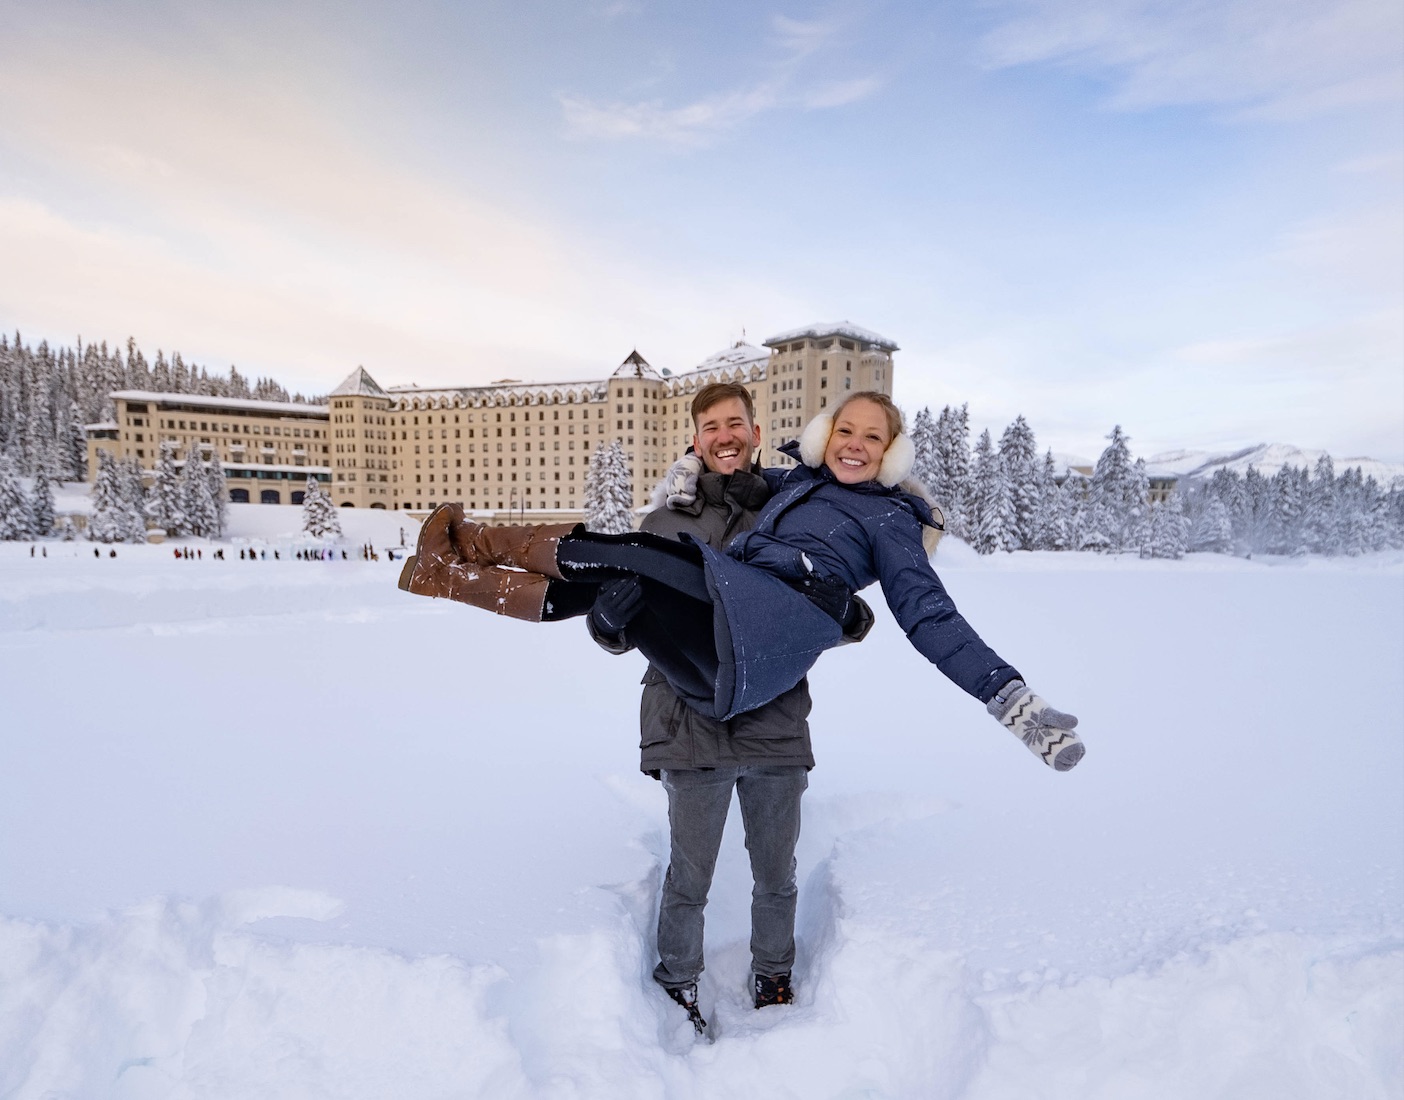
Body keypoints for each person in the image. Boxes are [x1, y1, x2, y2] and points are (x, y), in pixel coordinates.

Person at [400, 389, 1085, 1014]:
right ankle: (447, 574)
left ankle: (474, 545)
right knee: (616, 574)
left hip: (761, 657)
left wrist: (1013, 700)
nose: (854, 444)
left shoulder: (886, 517)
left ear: (891, 453)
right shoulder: (792, 488)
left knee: (636, 554)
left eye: (872, 438)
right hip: (705, 672)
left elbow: (928, 615)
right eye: (844, 429)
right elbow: (733, 499)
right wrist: (620, 608)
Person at [588, 383, 873, 1030]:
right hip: (689, 722)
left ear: (753, 431)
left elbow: (830, 606)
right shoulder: (661, 526)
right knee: (690, 874)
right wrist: (608, 624)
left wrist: (843, 611)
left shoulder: (792, 519)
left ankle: (774, 973)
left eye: (735, 423)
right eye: (711, 425)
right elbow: (629, 629)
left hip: (772, 719)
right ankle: (678, 982)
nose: (724, 435)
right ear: (696, 438)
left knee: (778, 871)